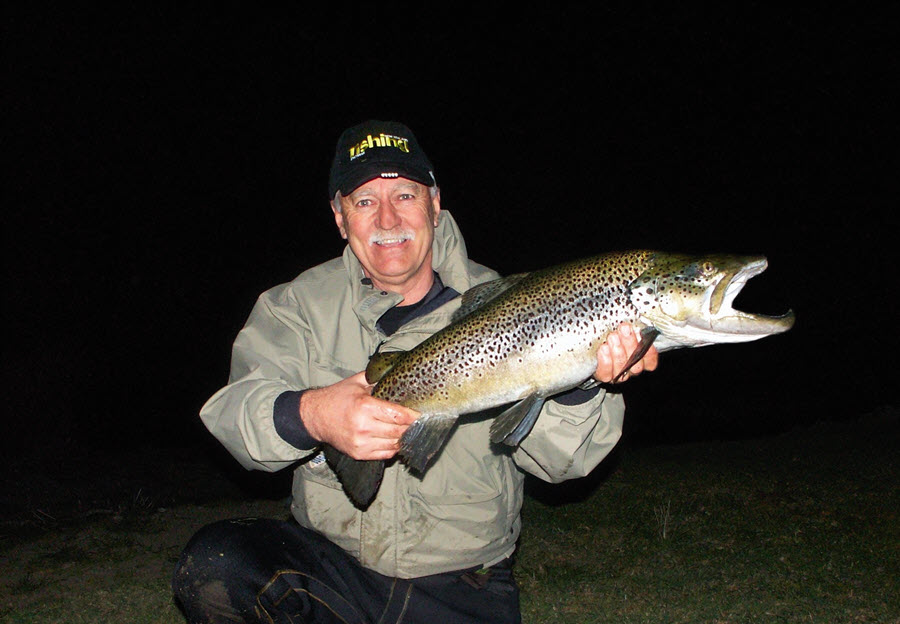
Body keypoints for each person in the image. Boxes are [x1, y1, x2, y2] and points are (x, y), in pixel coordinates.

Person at [172, 120, 658, 623]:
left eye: (405, 194)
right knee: (220, 563)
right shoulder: (295, 306)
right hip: (331, 569)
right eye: (364, 201)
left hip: (463, 585)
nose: (387, 218)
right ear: (340, 218)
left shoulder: (517, 301)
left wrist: (583, 384)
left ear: (434, 202)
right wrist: (314, 414)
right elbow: (231, 411)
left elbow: (563, 466)